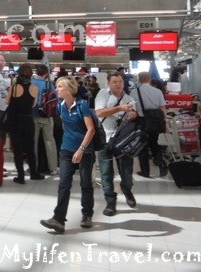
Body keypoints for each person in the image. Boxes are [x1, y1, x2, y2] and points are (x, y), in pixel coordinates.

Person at [40, 76, 95, 233]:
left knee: (85, 183)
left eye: (59, 86)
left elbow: (91, 130)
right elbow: (66, 126)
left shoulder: (82, 106)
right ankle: (58, 219)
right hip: (66, 149)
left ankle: (87, 215)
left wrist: (81, 149)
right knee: (64, 183)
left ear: (69, 89)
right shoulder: (60, 106)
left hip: (85, 150)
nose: (56, 89)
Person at [95, 72, 138, 216]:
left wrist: (132, 115)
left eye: (120, 81)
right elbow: (100, 113)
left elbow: (134, 114)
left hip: (123, 140)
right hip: (105, 138)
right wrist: (119, 109)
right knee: (105, 172)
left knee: (126, 171)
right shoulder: (102, 94)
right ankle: (110, 201)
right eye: (115, 82)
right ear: (108, 83)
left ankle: (127, 189)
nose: (118, 84)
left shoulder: (129, 98)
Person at [7, 64, 44, 183]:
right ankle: (33, 173)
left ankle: (21, 176)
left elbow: (7, 101)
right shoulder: (34, 88)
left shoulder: (14, 87)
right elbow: (33, 104)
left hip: (16, 121)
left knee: (17, 149)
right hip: (29, 120)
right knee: (30, 148)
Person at [134, 71, 168, 178]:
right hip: (155, 121)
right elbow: (162, 109)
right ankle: (161, 163)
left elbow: (132, 109)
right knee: (154, 143)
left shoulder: (134, 92)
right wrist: (164, 124)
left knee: (142, 146)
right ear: (149, 79)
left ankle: (145, 172)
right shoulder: (158, 92)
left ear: (139, 79)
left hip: (141, 121)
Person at [32, 64, 59, 175]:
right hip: (46, 117)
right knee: (50, 141)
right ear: (46, 74)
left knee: (33, 142)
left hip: (33, 115)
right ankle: (53, 168)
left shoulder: (31, 83)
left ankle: (34, 166)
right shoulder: (49, 85)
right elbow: (55, 101)